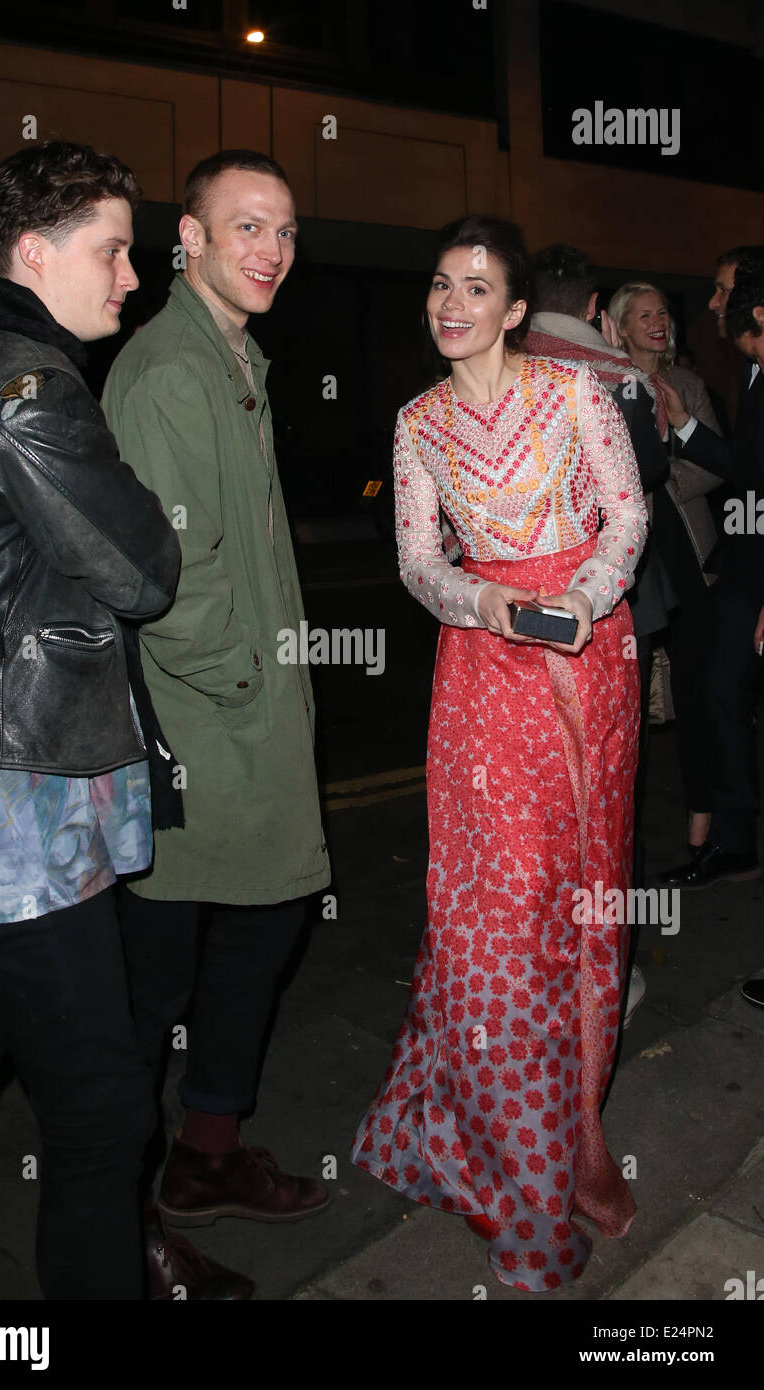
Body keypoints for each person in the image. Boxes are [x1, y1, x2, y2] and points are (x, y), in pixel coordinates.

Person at [0, 141, 182, 1299]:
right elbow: (141, 566)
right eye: (111, 250)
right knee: (105, 1115)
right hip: (19, 820)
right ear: (35, 251)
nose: (130, 274)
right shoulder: (27, 391)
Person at [350, 216, 647, 1291]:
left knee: (580, 897)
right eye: (439, 284)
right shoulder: (415, 422)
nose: (451, 304)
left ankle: (577, 1130)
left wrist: (573, 598)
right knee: (494, 913)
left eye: (476, 288)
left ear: (515, 310)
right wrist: (483, 601)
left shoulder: (575, 396)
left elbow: (625, 516)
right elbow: (417, 558)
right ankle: (514, 1153)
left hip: (584, 664)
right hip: (480, 673)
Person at [101, 150, 331, 1296]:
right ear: (184, 236)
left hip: (249, 722)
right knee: (154, 986)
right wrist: (250, 680)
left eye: (284, 229)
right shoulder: (167, 371)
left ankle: (205, 1155)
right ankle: (125, 1217)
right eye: (245, 226)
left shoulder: (235, 354)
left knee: (258, 931)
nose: (271, 250)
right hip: (199, 730)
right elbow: (167, 573)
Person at [526, 245, 672, 1029]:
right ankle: (609, 968)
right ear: (592, 308)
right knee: (613, 786)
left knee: (541, 796)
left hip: (514, 608)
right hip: (609, 605)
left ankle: (538, 960)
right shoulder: (616, 379)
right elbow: (643, 478)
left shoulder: (502, 364)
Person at [606, 281, 723, 868]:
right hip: (634, 563)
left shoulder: (689, 385)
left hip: (690, 555)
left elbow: (718, 469)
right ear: (619, 327)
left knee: (699, 698)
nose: (657, 321)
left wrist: (662, 469)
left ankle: (703, 834)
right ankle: (626, 849)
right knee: (629, 716)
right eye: (642, 314)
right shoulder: (603, 385)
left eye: (662, 313)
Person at [658, 249, 764, 891]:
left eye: (723, 293)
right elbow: (751, 468)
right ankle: (733, 840)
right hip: (746, 566)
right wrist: (686, 426)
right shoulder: (752, 371)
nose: (712, 306)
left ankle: (732, 839)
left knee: (723, 693)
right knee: (719, 694)